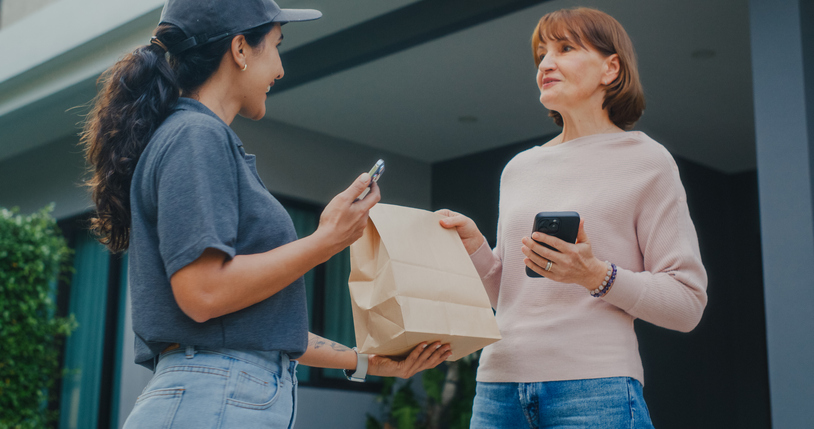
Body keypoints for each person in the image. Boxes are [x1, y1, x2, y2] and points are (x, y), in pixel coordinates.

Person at [81, 0, 451, 427]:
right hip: (217, 395)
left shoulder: (194, 138)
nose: (280, 69)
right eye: (276, 46)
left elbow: (253, 326)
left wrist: (368, 362)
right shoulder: (196, 136)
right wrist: (326, 240)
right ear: (240, 49)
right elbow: (203, 294)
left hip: (217, 394)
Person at [438, 7, 707, 428]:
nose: (546, 63)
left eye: (564, 48)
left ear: (610, 68)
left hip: (594, 390)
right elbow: (508, 295)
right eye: (541, 54)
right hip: (498, 389)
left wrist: (595, 275)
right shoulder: (520, 168)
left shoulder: (648, 161)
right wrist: (476, 249)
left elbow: (687, 304)